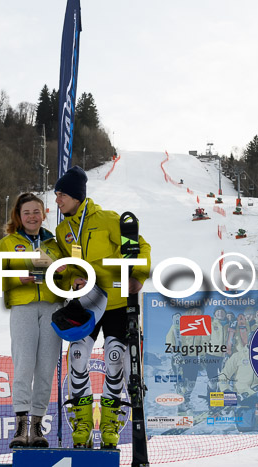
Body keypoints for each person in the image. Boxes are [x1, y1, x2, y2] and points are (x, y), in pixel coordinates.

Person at [53, 166, 151, 448]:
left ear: (76, 196)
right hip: (86, 302)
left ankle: (110, 423)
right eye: (57, 195)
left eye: (61, 195)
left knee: (115, 357)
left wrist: (138, 276)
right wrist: (73, 279)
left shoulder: (108, 220)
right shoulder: (63, 231)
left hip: (118, 301)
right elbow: (68, 268)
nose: (57, 200)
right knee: (78, 355)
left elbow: (140, 247)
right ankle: (82, 423)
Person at [0, 193, 66, 448]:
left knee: (45, 369)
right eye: (26, 212)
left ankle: (38, 428)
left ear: (44, 214)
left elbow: (70, 274)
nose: (32, 217)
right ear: (18, 216)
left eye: (36, 212)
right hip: (23, 308)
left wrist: (63, 273)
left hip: (52, 307)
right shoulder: (8, 243)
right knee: (24, 365)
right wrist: (18, 277)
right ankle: (20, 427)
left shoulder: (54, 243)